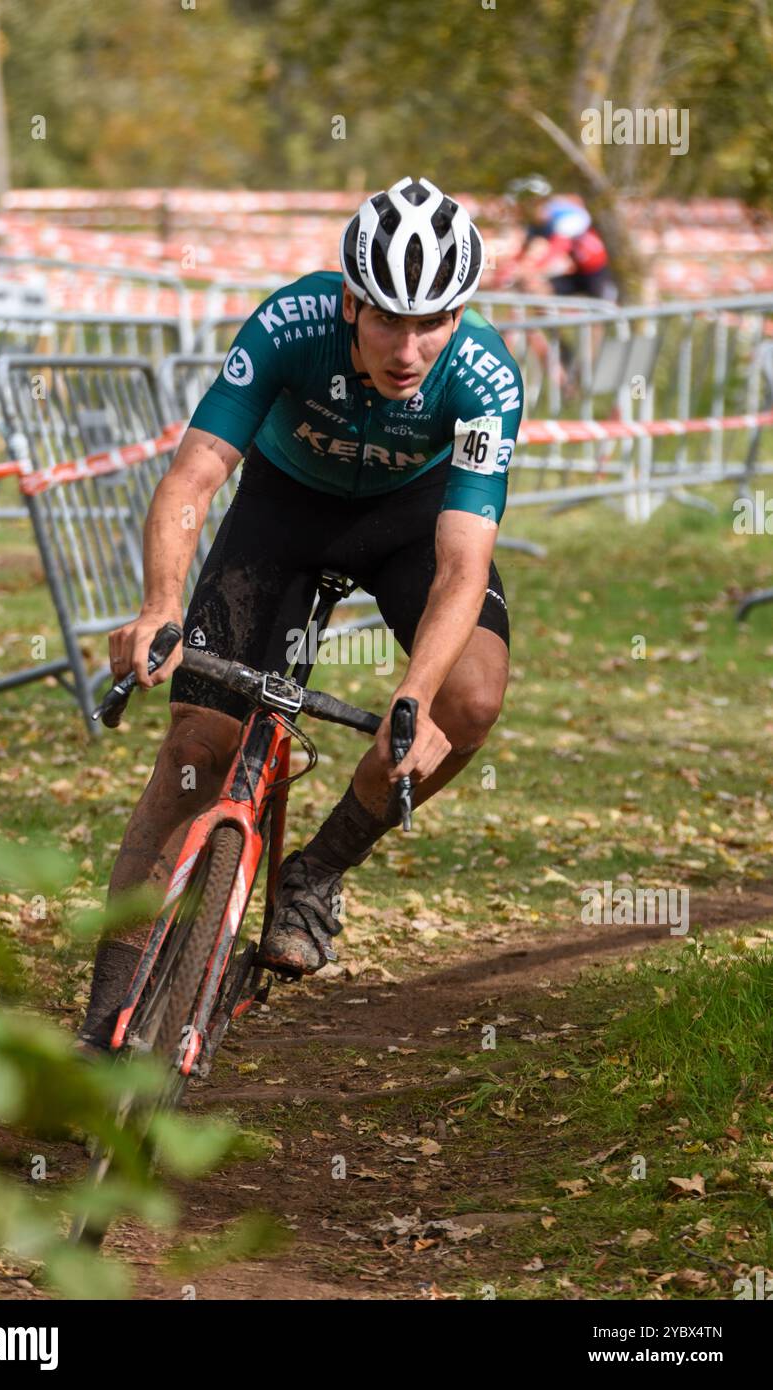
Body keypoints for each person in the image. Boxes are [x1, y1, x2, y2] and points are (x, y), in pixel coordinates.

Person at [77, 176, 524, 1051]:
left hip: (409, 526)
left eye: (432, 321)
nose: (408, 347)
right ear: (351, 302)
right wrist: (159, 606)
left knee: (467, 700)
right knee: (193, 754)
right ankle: (101, 1028)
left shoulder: (483, 377)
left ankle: (315, 874)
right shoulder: (290, 324)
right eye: (388, 318)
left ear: (460, 313)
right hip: (283, 512)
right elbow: (192, 479)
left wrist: (411, 695)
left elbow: (464, 560)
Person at [504, 175, 618, 303]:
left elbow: (557, 248)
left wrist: (534, 269)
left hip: (596, 272)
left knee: (601, 309)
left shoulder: (565, 216)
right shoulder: (538, 223)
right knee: (541, 289)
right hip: (577, 272)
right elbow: (526, 247)